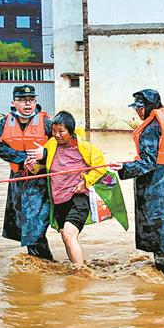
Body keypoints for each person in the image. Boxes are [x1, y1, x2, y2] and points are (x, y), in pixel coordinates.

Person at [110, 89, 164, 276]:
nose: (138, 112)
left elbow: (148, 162)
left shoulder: (150, 129)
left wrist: (123, 169)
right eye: (135, 108)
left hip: (157, 185)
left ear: (149, 106)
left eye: (140, 107)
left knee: (158, 229)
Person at [35, 111, 127, 268]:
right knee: (65, 235)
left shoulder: (85, 148)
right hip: (58, 199)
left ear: (71, 131)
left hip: (77, 198)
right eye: (54, 131)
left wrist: (85, 183)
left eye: (61, 131)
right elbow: (41, 166)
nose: (56, 135)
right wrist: (32, 165)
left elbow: (100, 169)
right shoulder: (50, 145)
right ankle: (77, 267)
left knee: (69, 234)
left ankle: (80, 274)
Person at [0, 85, 53, 261]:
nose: (27, 104)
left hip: (39, 180)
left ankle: (43, 264)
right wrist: (22, 158)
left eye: (31, 100)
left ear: (35, 101)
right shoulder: (5, 122)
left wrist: (41, 156)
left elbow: (58, 146)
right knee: (21, 222)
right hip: (18, 179)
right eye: (22, 100)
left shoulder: (47, 122)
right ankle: (40, 264)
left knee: (35, 222)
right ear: (14, 102)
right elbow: (0, 147)